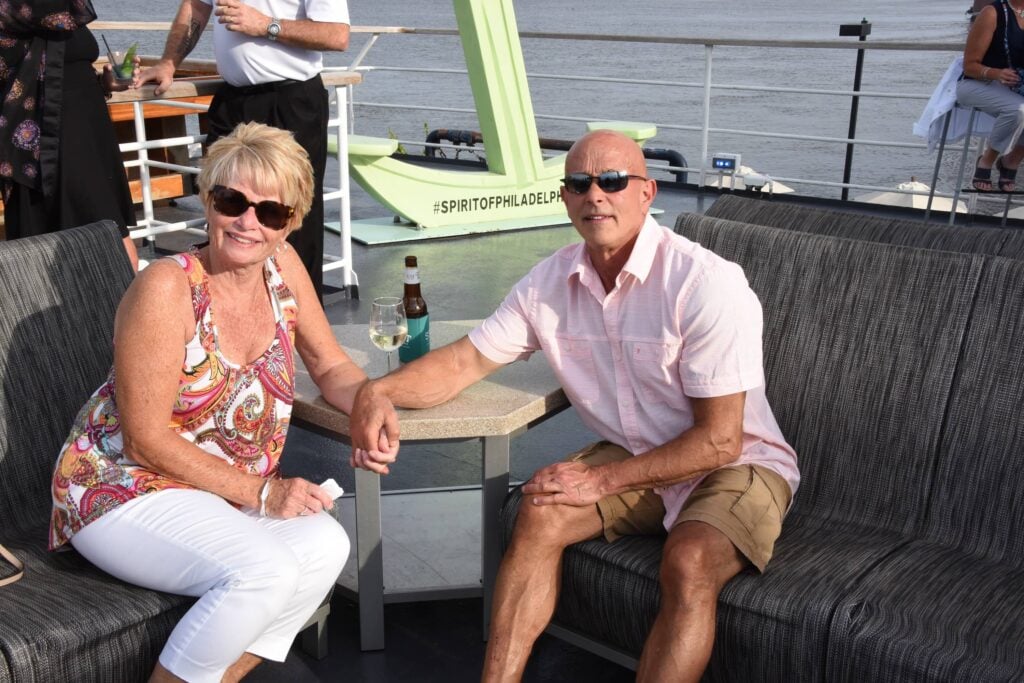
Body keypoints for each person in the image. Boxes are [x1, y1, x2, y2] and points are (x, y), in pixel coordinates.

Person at [349, 130, 799, 682]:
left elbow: (720, 439)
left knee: (690, 561)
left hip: (736, 464)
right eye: (579, 183)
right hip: (638, 453)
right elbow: (465, 363)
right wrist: (379, 392)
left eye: (612, 181)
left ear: (647, 192)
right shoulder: (547, 284)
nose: (595, 195)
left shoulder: (705, 283)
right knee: (539, 511)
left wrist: (601, 483)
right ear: (564, 197)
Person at [49, 122, 394, 683]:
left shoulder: (284, 272)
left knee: (326, 544)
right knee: (264, 570)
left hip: (216, 493)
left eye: (270, 212)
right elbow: (144, 438)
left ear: (292, 222)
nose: (247, 222)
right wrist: (264, 491)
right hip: (122, 485)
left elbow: (330, 366)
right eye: (232, 200)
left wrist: (370, 400)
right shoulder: (166, 288)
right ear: (208, 200)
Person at [137, 0, 350, 300]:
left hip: (289, 101)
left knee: (288, 219)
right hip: (232, 102)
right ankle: (230, 319)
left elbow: (337, 35)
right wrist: (169, 63)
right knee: (223, 211)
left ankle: (296, 331)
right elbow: (196, 7)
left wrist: (266, 25)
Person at [0, 0, 138, 268]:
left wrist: (105, 81)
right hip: (48, 144)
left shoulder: (62, 10)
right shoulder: (15, 12)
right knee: (107, 242)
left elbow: (63, 71)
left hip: (90, 133)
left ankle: (111, 308)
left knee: (105, 240)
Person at [959, 0, 1024, 192]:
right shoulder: (992, 13)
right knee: (1018, 110)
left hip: (1014, 86)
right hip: (977, 83)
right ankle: (986, 161)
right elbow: (969, 65)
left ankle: (1011, 161)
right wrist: (996, 73)